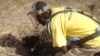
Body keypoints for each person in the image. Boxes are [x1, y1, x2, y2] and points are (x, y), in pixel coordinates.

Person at [32, 1, 100, 56]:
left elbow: (63, 49)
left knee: (58, 54)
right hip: (97, 31)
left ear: (40, 16)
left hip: (95, 43)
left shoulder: (55, 24)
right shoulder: (59, 10)